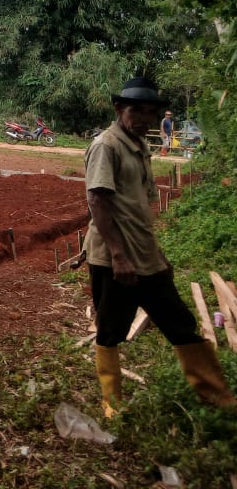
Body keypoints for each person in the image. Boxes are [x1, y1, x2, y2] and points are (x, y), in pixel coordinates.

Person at [85, 76, 235, 417]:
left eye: (150, 112)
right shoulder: (106, 146)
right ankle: (112, 405)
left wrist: (159, 254)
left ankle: (218, 397)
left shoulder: (138, 147)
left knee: (179, 321)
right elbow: (97, 201)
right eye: (136, 110)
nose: (143, 118)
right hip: (114, 260)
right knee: (110, 330)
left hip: (145, 256)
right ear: (120, 108)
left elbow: (139, 210)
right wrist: (119, 255)